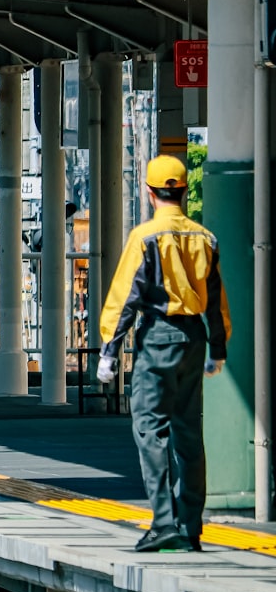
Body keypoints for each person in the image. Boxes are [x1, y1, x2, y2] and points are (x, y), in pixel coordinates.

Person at [97, 155, 230, 553]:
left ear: (150, 193)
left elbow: (125, 297)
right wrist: (218, 347)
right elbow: (217, 301)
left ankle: (164, 522)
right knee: (189, 432)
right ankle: (190, 526)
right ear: (184, 191)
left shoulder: (145, 237)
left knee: (149, 429)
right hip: (194, 339)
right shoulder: (205, 238)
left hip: (158, 339)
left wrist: (109, 350)